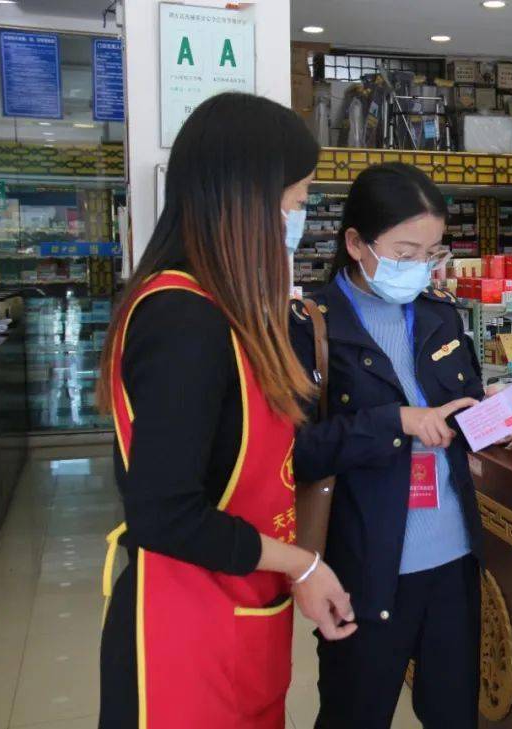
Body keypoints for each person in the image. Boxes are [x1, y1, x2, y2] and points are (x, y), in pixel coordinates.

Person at [96, 93, 356, 729]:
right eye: (295, 202)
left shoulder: (231, 313)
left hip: (242, 618)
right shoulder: (182, 320)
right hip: (183, 638)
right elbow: (164, 514)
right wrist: (303, 562)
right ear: (246, 199)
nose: (298, 218)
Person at [289, 162, 483, 729]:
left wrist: (493, 413)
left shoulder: (440, 316)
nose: (419, 267)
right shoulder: (311, 327)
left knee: (453, 714)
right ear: (355, 242)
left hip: (453, 560)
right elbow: (295, 453)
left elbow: (462, 407)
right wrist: (395, 421)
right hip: (366, 564)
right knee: (357, 712)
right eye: (404, 252)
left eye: (432, 253)